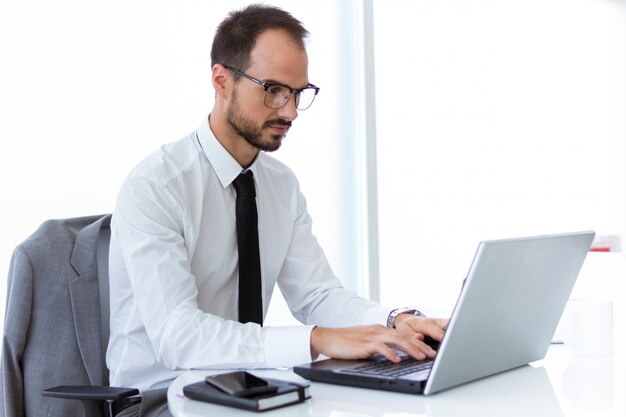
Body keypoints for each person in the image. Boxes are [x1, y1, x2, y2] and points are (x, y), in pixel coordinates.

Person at [107, 4, 448, 412]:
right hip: (158, 399)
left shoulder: (280, 184)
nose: (289, 111)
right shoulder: (155, 187)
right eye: (272, 90)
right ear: (222, 81)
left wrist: (395, 322)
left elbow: (317, 295)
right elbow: (177, 336)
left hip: (247, 388)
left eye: (298, 93)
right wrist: (316, 340)